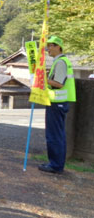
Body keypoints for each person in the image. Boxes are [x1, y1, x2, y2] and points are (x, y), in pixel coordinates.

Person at [38, 36, 76, 174]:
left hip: (57, 102)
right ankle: (55, 163)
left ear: (58, 47)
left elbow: (59, 83)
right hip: (58, 102)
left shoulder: (60, 62)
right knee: (57, 134)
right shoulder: (61, 61)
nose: (48, 48)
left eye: (50, 45)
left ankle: (55, 165)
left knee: (54, 135)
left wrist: (43, 79)